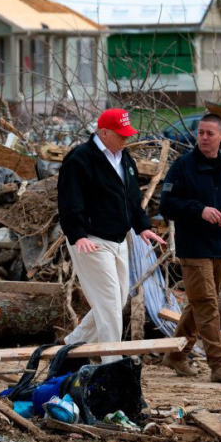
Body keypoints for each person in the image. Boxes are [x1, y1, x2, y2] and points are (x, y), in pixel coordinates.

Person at [57, 108, 165, 363]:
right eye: (121, 135)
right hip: (90, 240)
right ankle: (112, 364)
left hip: (119, 238)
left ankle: (71, 347)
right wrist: (78, 234)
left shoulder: (124, 158)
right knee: (108, 305)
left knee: (117, 300)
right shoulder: (80, 159)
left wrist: (142, 226)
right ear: (103, 132)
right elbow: (69, 200)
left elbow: (132, 198)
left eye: (127, 134)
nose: (125, 139)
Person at [160, 114, 221, 383]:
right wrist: (199, 210)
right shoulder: (182, 166)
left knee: (199, 304)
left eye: (209, 133)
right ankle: (220, 363)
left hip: (220, 247)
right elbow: (166, 204)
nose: (203, 137)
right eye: (200, 132)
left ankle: (175, 354)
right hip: (194, 247)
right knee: (207, 304)